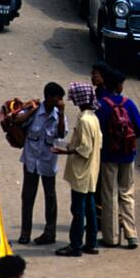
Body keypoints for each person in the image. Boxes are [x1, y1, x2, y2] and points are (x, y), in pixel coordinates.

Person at [92, 63, 140, 249]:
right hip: (128, 156)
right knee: (127, 194)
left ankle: (111, 237)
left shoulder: (102, 106)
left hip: (108, 156)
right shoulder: (128, 104)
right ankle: (132, 235)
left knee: (110, 195)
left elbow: (97, 131)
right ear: (119, 85)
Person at [53, 83, 103, 257]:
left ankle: (75, 245)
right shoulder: (93, 118)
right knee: (90, 208)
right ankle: (91, 243)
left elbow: (85, 148)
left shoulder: (84, 120)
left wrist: (65, 151)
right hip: (91, 171)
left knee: (78, 210)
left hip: (81, 172)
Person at [18, 82, 67, 246]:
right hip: (31, 160)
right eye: (58, 98)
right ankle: (25, 233)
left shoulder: (58, 115)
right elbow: (18, 121)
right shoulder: (34, 111)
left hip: (48, 162)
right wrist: (26, 112)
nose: (60, 101)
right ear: (49, 97)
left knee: (50, 197)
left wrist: (61, 114)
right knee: (28, 196)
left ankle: (50, 233)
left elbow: (61, 134)